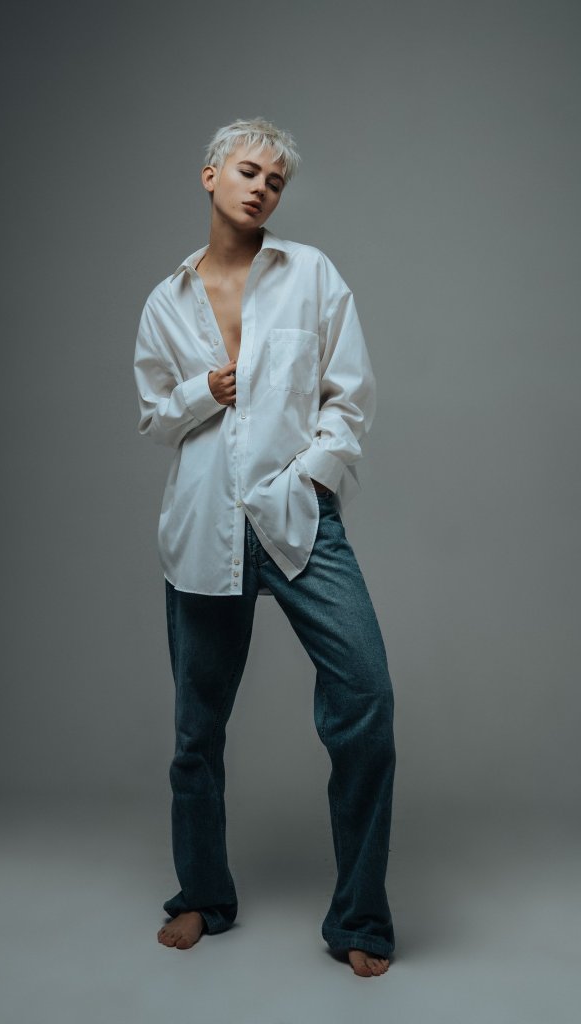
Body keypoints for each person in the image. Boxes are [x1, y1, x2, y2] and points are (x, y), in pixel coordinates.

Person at [133, 117, 397, 978]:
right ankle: (202, 897)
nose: (261, 190)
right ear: (209, 175)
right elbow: (153, 417)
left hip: (296, 523)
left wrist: (312, 483)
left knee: (364, 704)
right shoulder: (164, 301)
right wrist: (200, 393)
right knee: (195, 734)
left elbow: (347, 397)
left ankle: (358, 916)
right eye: (248, 172)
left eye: (275, 182)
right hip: (202, 530)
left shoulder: (311, 274)